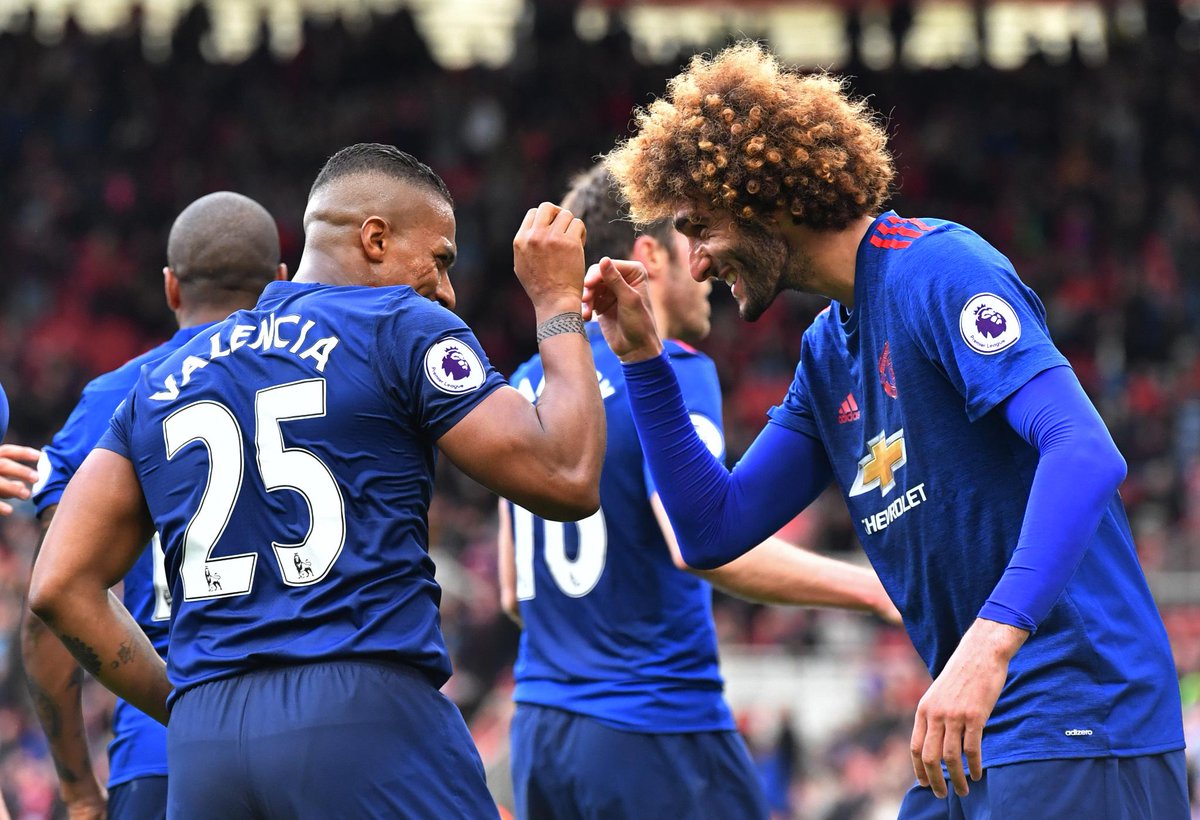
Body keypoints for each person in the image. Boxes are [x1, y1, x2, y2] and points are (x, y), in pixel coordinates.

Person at [583, 43, 1187, 818]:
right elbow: (710, 529)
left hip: (1080, 715)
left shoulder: (937, 269)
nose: (694, 264)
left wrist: (990, 641)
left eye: (700, 228)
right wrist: (642, 360)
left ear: (761, 194)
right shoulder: (827, 352)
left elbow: (1084, 451)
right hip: (973, 730)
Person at [28, 143, 606, 819]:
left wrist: (186, 702)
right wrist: (557, 302)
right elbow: (566, 476)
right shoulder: (400, 325)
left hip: (206, 751)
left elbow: (58, 585)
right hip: (363, 718)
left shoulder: (160, 381)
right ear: (376, 239)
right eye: (440, 259)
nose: (447, 290)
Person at [499, 165, 900, 820]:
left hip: (540, 734)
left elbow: (512, 591)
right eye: (690, 236)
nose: (706, 266)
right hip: (654, 726)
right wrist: (872, 590)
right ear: (649, 256)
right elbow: (703, 543)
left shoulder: (526, 382)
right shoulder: (673, 369)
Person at [20, 191, 286, 820]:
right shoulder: (329, 368)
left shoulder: (115, 398)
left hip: (166, 744)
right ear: (280, 280)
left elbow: (50, 613)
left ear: (170, 287)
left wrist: (79, 790)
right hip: (315, 730)